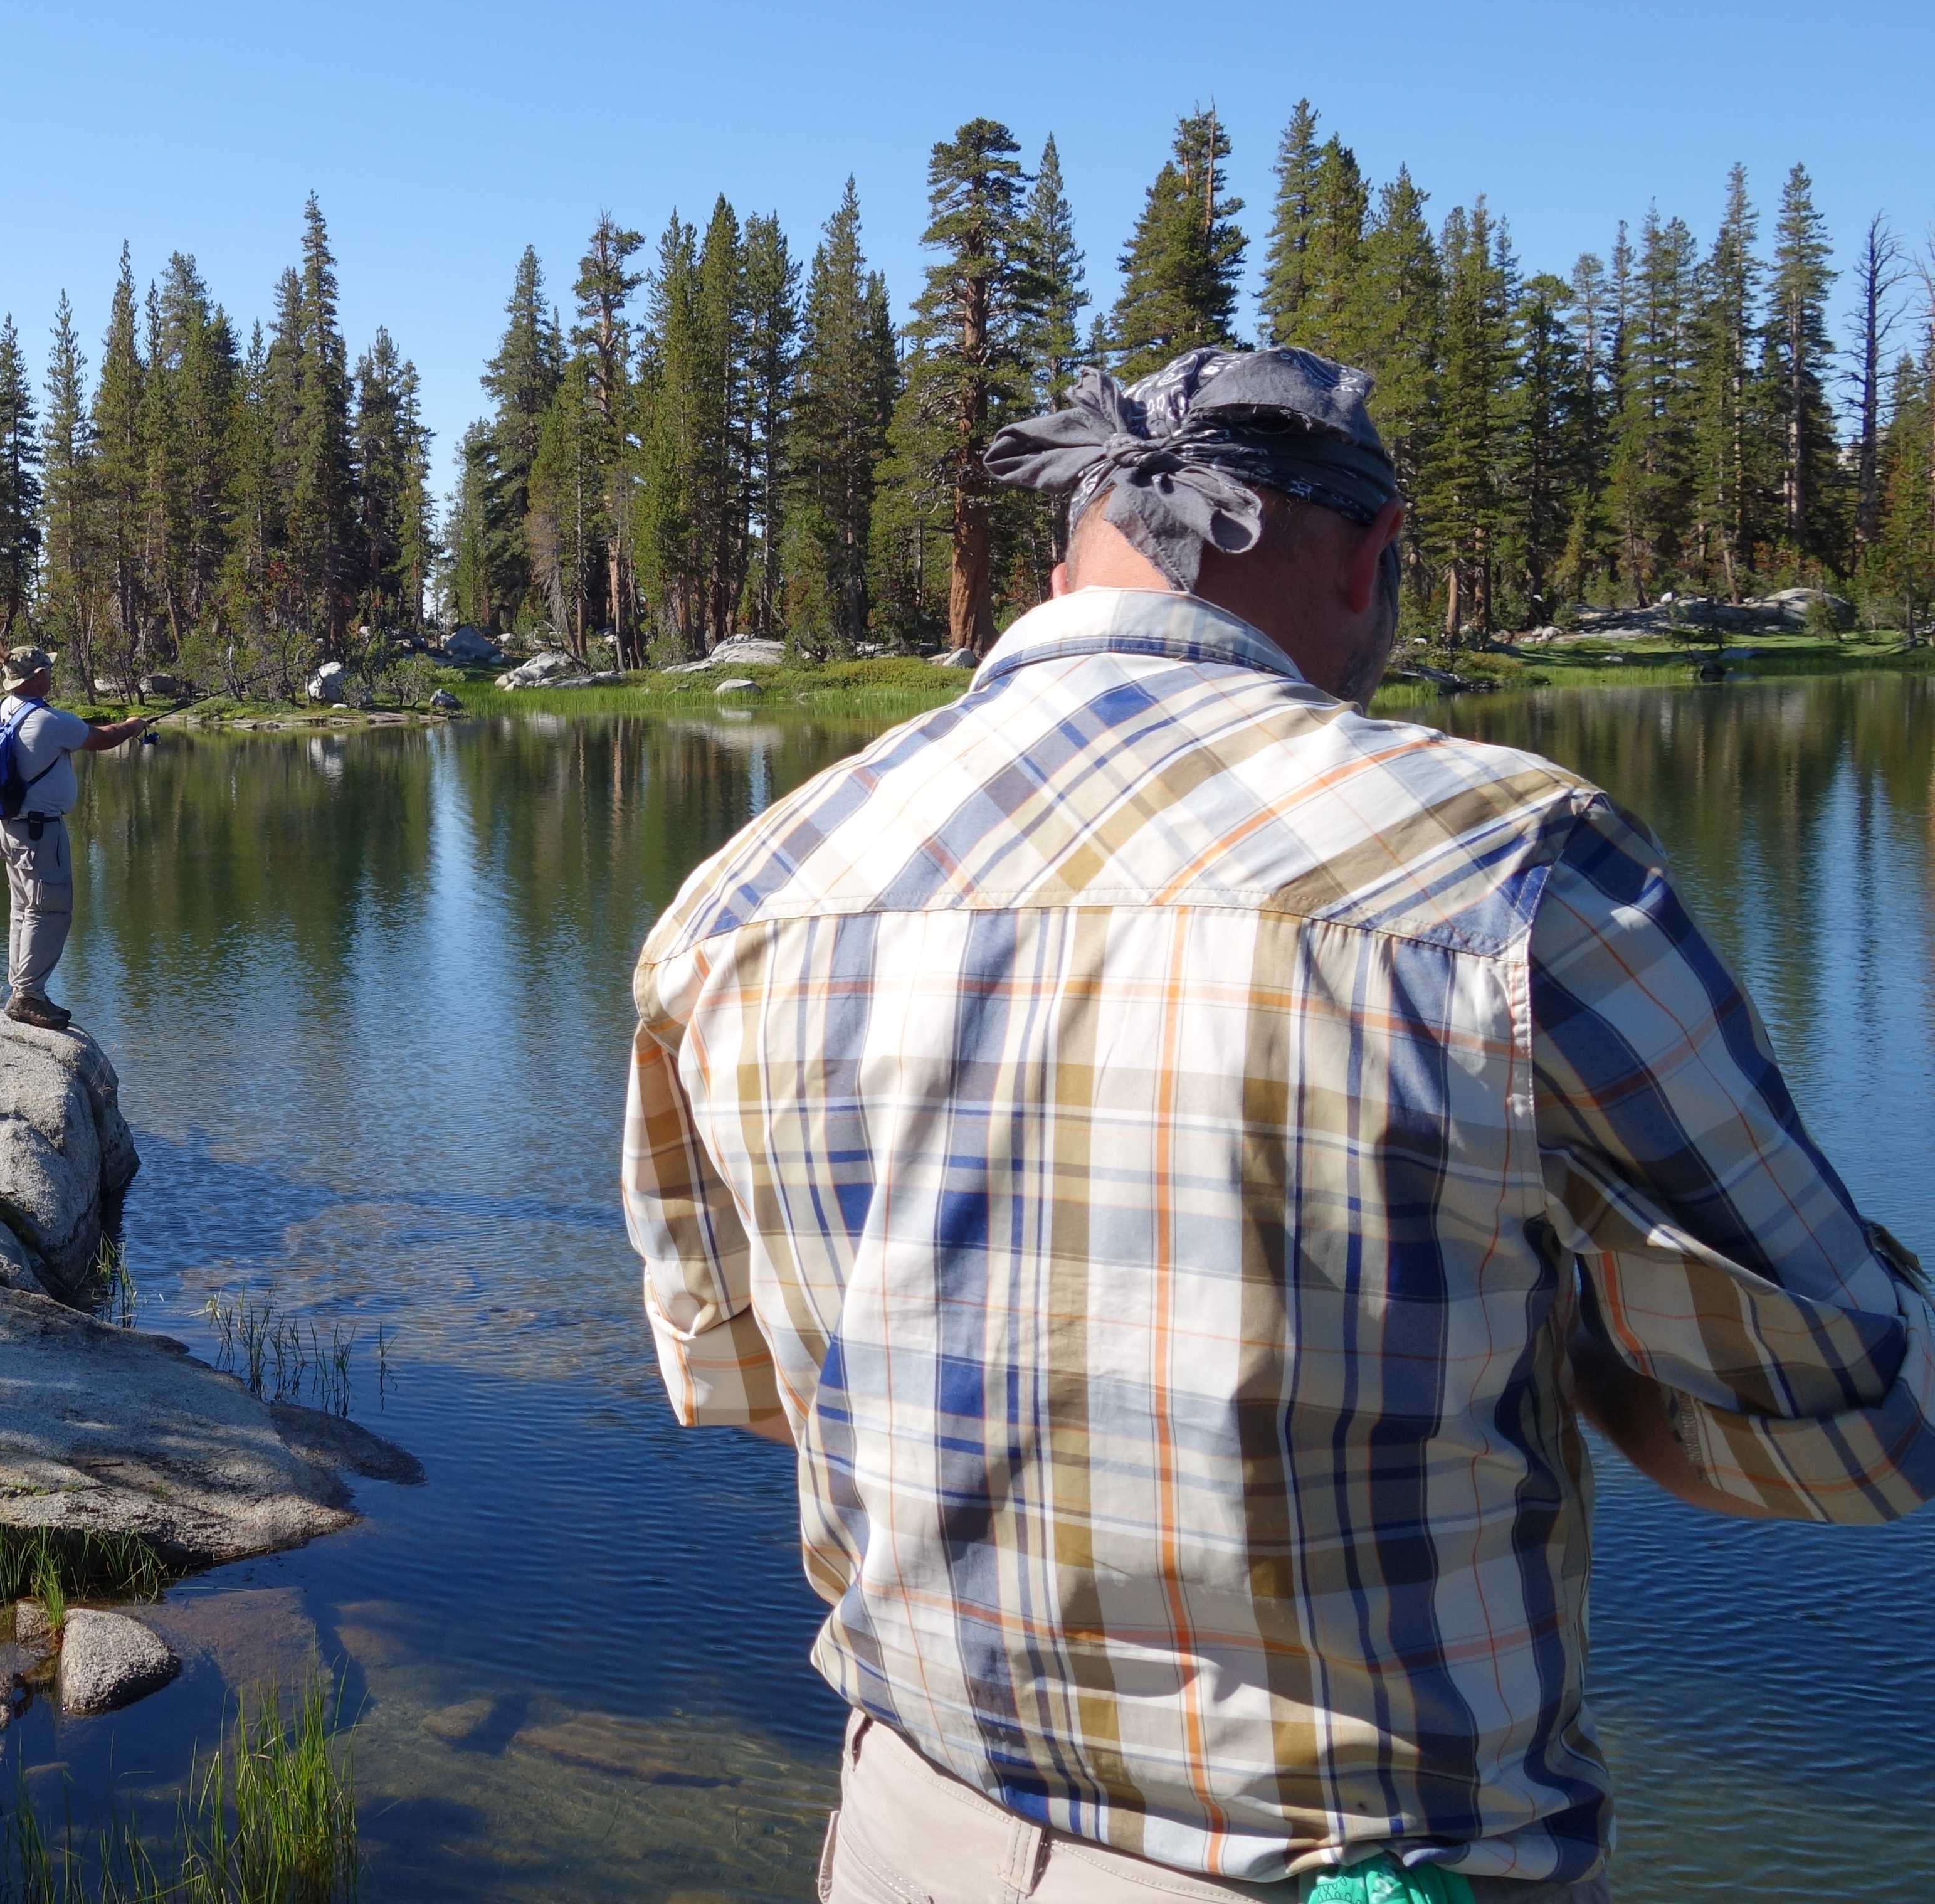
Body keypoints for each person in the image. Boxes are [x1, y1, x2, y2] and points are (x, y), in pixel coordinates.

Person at [621, 345, 1934, 1902]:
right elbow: (1843, 1431)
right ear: (1373, 554)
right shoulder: (1508, 870)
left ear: (1065, 563)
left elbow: (740, 1377)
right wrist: (1559, 1307)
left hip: (909, 1835)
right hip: (1337, 1870)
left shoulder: (747, 894)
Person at [0, 646, 146, 1030]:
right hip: (41, 834)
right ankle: (28, 996)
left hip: (11, 829)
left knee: (24, 909)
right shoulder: (49, 720)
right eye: (48, 670)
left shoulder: (0, 711)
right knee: (49, 911)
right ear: (37, 676)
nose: (51, 675)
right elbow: (103, 738)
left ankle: (23, 989)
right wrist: (134, 725)